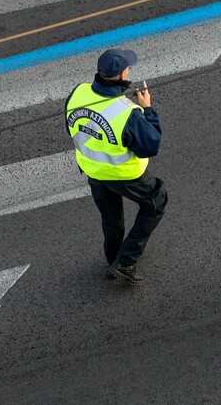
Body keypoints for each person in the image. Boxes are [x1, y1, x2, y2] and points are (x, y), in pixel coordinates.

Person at [65, 48, 167, 284]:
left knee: (111, 218)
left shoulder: (78, 93)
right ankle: (126, 261)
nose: (129, 70)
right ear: (122, 76)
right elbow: (150, 145)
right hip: (124, 175)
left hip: (92, 170)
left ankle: (113, 259)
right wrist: (148, 110)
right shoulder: (127, 112)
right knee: (156, 203)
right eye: (127, 68)